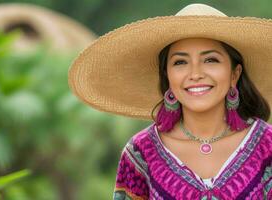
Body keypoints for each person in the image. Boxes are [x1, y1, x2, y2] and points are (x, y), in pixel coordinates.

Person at [68, 3, 272, 199]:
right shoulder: (141, 152)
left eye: (210, 60)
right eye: (180, 62)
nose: (195, 74)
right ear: (167, 76)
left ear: (234, 74)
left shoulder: (268, 146)